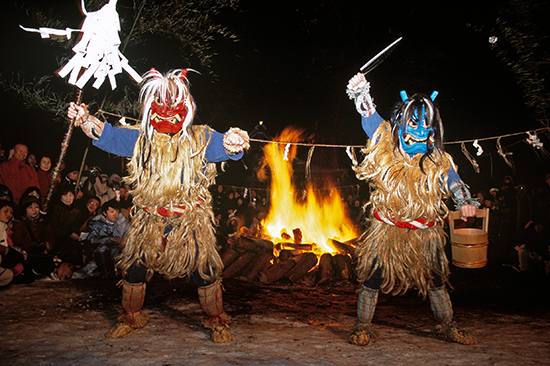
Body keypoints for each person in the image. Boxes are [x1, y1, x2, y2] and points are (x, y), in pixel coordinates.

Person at [68, 68, 249, 342]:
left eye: (172, 105)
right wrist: (84, 119)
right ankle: (131, 317)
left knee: (205, 272)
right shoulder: (141, 139)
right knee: (134, 270)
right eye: (158, 104)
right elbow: (109, 136)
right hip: (149, 222)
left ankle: (217, 321)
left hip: (190, 223)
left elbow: (224, 147)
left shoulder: (199, 138)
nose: (165, 111)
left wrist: (234, 142)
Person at [346, 73, 479, 346]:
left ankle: (447, 325)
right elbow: (371, 119)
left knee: (436, 280)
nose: (419, 130)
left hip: (424, 235)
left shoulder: (437, 160)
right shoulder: (386, 145)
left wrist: (464, 200)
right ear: (402, 123)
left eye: (425, 124)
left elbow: (453, 180)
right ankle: (362, 326)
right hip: (387, 233)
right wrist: (361, 93)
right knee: (372, 278)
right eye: (414, 123)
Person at [11, 195, 56, 280]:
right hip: (29, 252)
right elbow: (19, 240)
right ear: (25, 209)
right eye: (30, 207)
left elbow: (51, 236)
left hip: (43, 251)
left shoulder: (44, 222)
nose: (34, 210)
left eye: (37, 207)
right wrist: (34, 246)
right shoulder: (20, 223)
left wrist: (47, 246)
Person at [86, 199, 130, 278]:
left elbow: (130, 234)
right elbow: (91, 239)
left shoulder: (122, 223)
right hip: (101, 256)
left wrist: (125, 241)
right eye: (112, 212)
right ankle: (105, 274)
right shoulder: (97, 223)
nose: (115, 215)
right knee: (101, 248)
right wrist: (109, 239)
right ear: (104, 213)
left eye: (117, 212)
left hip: (118, 254)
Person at [0, 200, 25, 286]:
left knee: (9, 275)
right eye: (6, 211)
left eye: (11, 212)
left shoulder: (4, 228)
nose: (9, 215)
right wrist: (7, 251)